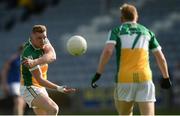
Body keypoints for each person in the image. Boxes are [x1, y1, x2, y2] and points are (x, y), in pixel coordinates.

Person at [91, 3, 172, 115]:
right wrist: (166, 77)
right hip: (144, 78)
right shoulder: (147, 32)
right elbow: (161, 58)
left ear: (121, 18)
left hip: (124, 79)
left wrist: (98, 74)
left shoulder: (116, 31)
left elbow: (108, 51)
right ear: (136, 17)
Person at [20, 25, 76, 115]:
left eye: (44, 37)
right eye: (39, 38)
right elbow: (40, 80)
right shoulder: (28, 54)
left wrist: (35, 62)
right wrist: (59, 88)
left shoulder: (44, 41)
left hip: (40, 88)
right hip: (29, 88)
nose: (42, 41)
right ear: (32, 36)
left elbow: (52, 56)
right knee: (53, 109)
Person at [1, 45, 26, 115]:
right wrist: (4, 84)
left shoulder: (28, 60)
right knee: (19, 101)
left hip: (23, 84)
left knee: (22, 103)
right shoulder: (13, 59)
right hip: (14, 83)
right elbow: (4, 71)